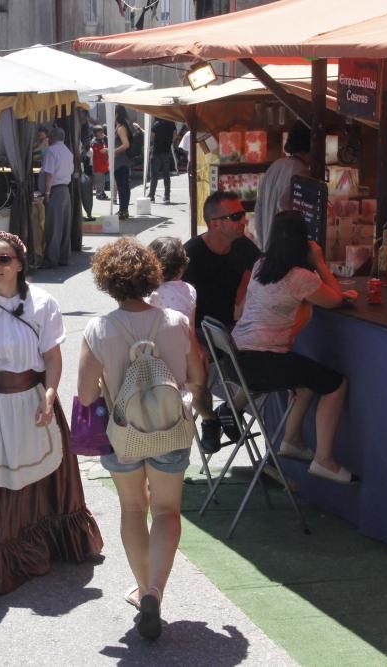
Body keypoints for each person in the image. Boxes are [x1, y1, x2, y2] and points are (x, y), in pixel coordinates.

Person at [0, 231, 103, 597]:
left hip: (29, 400)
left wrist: (49, 393)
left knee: (34, 483)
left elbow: (51, 356)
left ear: (19, 264)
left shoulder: (42, 303)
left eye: (5, 259)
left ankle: (47, 547)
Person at [77, 238, 203, 641]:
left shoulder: (99, 329)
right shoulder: (175, 323)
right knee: (166, 512)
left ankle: (141, 583)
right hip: (170, 430)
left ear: (106, 282)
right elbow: (197, 378)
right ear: (151, 276)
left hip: (123, 435)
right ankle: (155, 591)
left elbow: (84, 395)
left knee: (133, 509)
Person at [231, 211, 359, 484]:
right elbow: (335, 299)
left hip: (237, 358)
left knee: (304, 379)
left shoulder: (261, 264)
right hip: (263, 363)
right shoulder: (300, 276)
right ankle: (324, 459)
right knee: (335, 385)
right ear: (304, 242)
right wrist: (320, 263)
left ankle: (291, 440)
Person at [149, 237, 222, 453]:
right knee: (197, 386)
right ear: (181, 268)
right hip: (185, 348)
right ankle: (209, 418)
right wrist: (199, 352)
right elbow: (190, 325)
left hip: (158, 352)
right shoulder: (189, 290)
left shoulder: (149, 293)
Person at [182, 191, 261, 331]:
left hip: (229, 328)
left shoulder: (242, 244)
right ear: (215, 224)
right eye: (236, 217)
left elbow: (266, 268)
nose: (244, 221)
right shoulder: (189, 256)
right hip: (197, 331)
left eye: (243, 215)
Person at [254, 120, 311, 252]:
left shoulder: (275, 165)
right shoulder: (300, 170)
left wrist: (262, 245)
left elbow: (258, 209)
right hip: (283, 249)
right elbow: (284, 204)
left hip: (268, 247)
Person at [40, 127, 73, 269]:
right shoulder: (68, 151)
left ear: (51, 138)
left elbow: (49, 173)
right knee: (65, 226)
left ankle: (51, 259)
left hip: (55, 190)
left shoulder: (51, 151)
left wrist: (47, 193)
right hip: (65, 189)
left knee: (53, 226)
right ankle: (63, 257)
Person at [148, 118, 177, 203]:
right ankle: (167, 196)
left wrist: (155, 142)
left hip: (156, 151)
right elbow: (175, 135)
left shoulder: (156, 124)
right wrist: (170, 141)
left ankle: (152, 196)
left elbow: (151, 137)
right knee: (166, 174)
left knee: (154, 175)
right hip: (166, 151)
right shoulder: (171, 123)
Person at [113, 107, 133, 220]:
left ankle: (123, 210)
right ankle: (123, 210)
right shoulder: (121, 127)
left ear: (116, 114)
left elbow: (126, 145)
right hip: (121, 161)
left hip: (121, 161)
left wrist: (112, 151)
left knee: (122, 186)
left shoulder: (121, 128)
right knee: (123, 186)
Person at [92, 125, 110, 201]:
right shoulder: (94, 142)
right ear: (96, 133)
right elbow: (98, 153)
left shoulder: (102, 140)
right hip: (98, 165)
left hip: (103, 164)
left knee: (101, 180)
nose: (102, 133)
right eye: (100, 132)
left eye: (102, 131)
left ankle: (101, 192)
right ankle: (99, 193)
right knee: (99, 180)